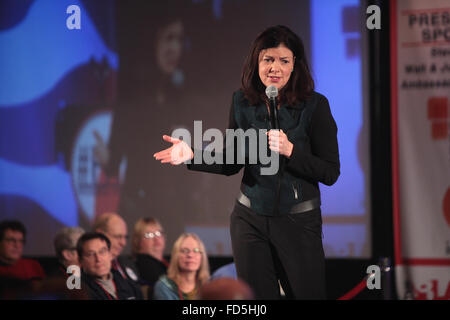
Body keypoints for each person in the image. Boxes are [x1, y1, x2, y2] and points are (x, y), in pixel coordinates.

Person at [154, 25, 340, 299]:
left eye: (284, 61)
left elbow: (330, 172)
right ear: (257, 62)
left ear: (295, 66)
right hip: (250, 218)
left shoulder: (315, 106)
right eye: (268, 60)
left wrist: (291, 151)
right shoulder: (242, 101)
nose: (275, 68)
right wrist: (192, 155)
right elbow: (232, 161)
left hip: (298, 221)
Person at [77, 232, 143, 300]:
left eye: (102, 251)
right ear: (80, 261)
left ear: (110, 255)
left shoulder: (127, 283)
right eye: (90, 254)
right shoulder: (77, 291)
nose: (98, 259)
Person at [153, 233, 210, 300]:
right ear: (176, 256)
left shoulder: (209, 285)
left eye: (196, 250)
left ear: (202, 257)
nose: (190, 255)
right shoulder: (163, 287)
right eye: (185, 251)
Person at [93, 212, 140, 283]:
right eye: (118, 237)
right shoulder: (91, 269)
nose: (123, 243)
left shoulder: (128, 263)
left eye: (125, 237)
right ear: (100, 235)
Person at [131, 217, 168, 297]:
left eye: (158, 233)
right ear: (138, 241)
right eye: (149, 235)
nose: (156, 238)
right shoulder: (143, 265)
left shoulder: (169, 260)